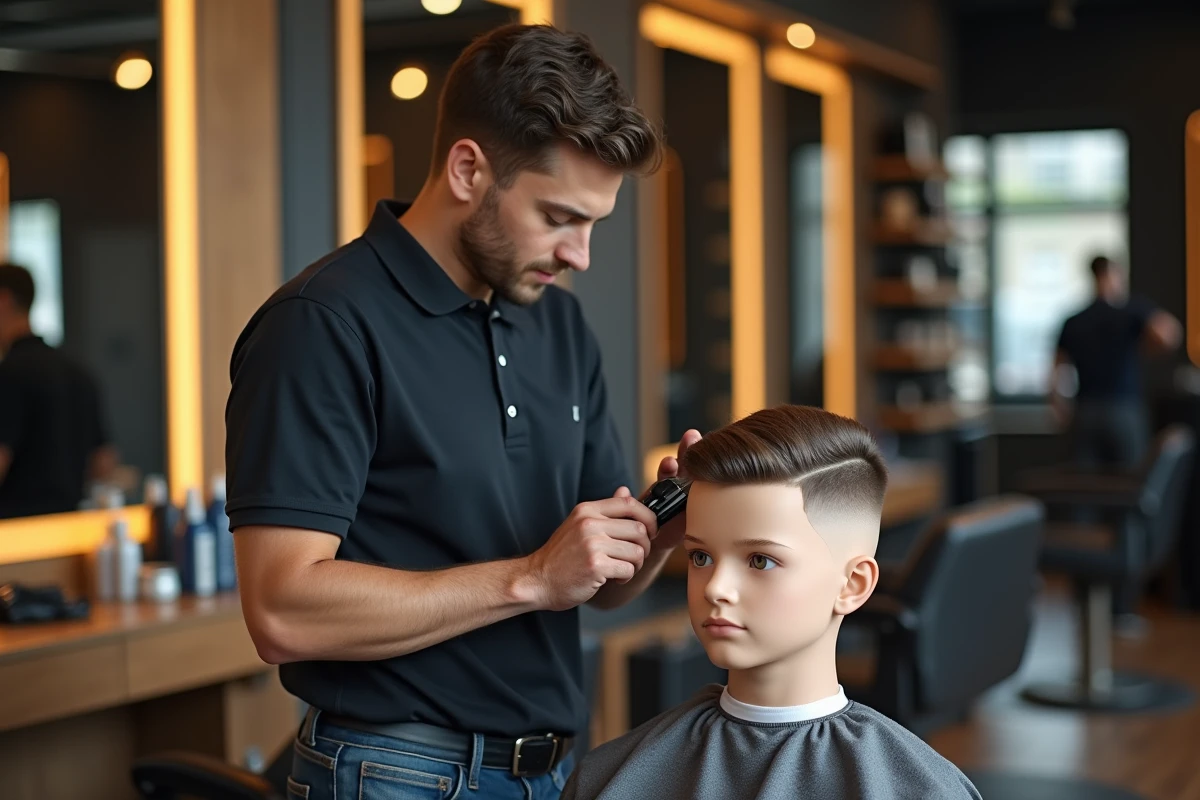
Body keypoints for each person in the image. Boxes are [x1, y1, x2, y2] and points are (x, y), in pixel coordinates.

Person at [225, 23, 700, 800]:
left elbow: (596, 585)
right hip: (391, 775)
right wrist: (531, 579)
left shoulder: (556, 322)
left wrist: (659, 532)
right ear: (469, 169)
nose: (579, 253)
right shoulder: (323, 323)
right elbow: (282, 610)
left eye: (592, 224)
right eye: (558, 217)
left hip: (548, 773)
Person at [561, 405, 981, 800]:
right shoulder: (609, 779)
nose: (716, 588)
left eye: (760, 560)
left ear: (852, 585)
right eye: (700, 556)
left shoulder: (921, 790)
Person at [0, 262, 116, 518]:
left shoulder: (8, 374)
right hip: (66, 530)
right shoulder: (78, 373)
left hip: (16, 539)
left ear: (4, 299)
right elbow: (103, 463)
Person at [1051, 255, 1182, 468]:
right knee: (1131, 482)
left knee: (1082, 485)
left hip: (1085, 410)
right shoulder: (1132, 311)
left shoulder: (1074, 320)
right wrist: (1147, 349)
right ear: (1115, 275)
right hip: (1123, 409)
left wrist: (1059, 407)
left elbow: (1056, 372)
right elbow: (1170, 335)